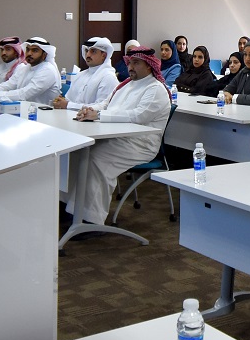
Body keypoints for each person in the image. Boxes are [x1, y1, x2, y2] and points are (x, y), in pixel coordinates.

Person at [66, 46, 172, 225]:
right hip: (115, 137)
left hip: (140, 144)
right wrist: (89, 110)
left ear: (149, 66)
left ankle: (90, 219)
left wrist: (99, 116)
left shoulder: (156, 89)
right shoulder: (125, 85)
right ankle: (72, 207)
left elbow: (138, 116)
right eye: (129, 63)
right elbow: (105, 105)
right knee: (78, 151)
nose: (130, 67)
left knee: (95, 158)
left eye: (136, 63)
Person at [0, 36, 61, 105]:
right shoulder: (24, 68)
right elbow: (10, 84)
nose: (29, 53)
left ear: (44, 55)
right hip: (25, 108)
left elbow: (25, 94)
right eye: (28, 50)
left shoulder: (48, 70)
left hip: (44, 111)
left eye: (35, 51)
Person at [53, 37, 119, 111]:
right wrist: (61, 101)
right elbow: (68, 100)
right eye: (87, 51)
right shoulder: (80, 75)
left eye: (93, 51)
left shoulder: (108, 77)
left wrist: (68, 105)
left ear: (103, 56)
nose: (88, 55)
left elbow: (101, 108)